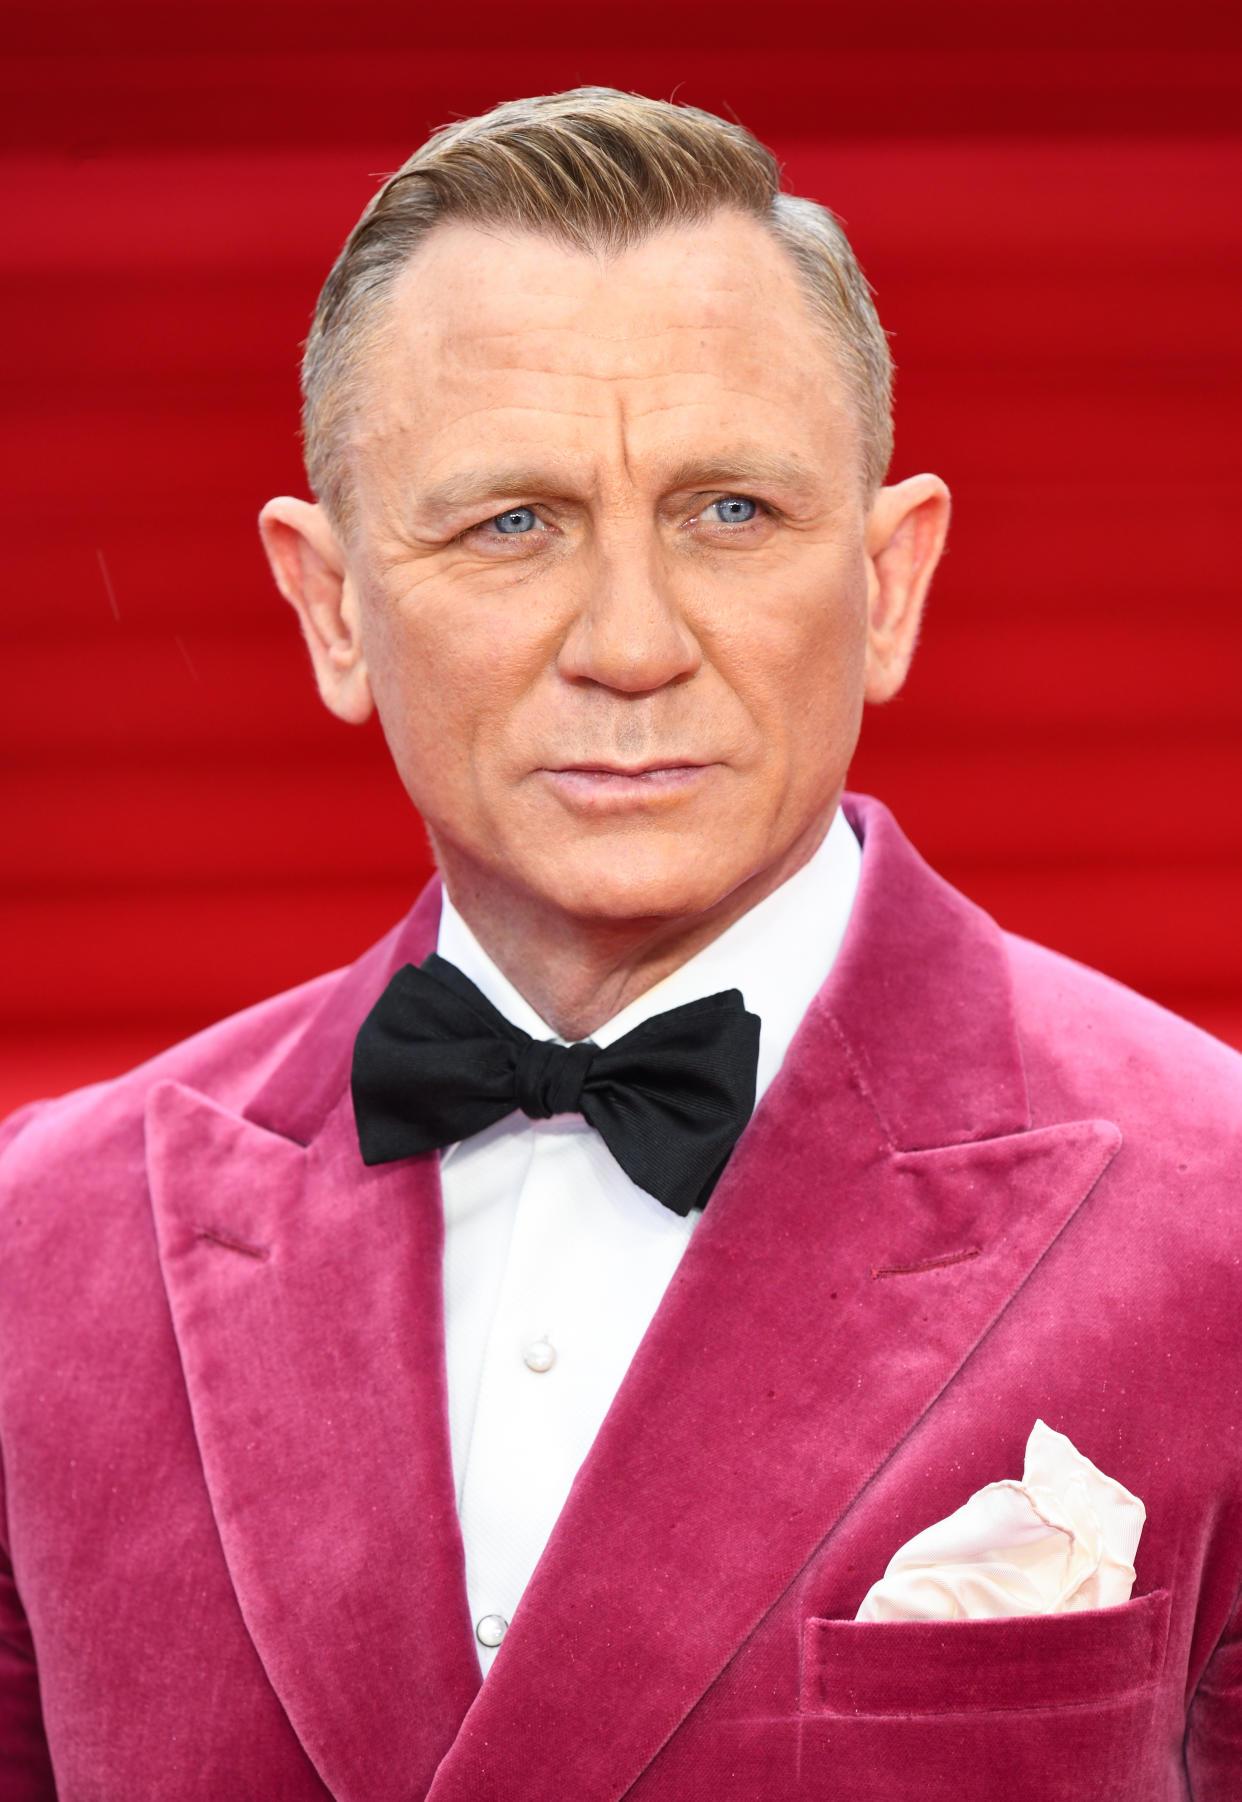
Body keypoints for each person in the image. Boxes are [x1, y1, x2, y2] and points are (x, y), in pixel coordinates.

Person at [0, 87, 1238, 1802]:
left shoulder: (1218, 1213)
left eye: (729, 510)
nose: (632, 643)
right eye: (512, 522)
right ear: (330, 606)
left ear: (886, 584)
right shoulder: (41, 1251)